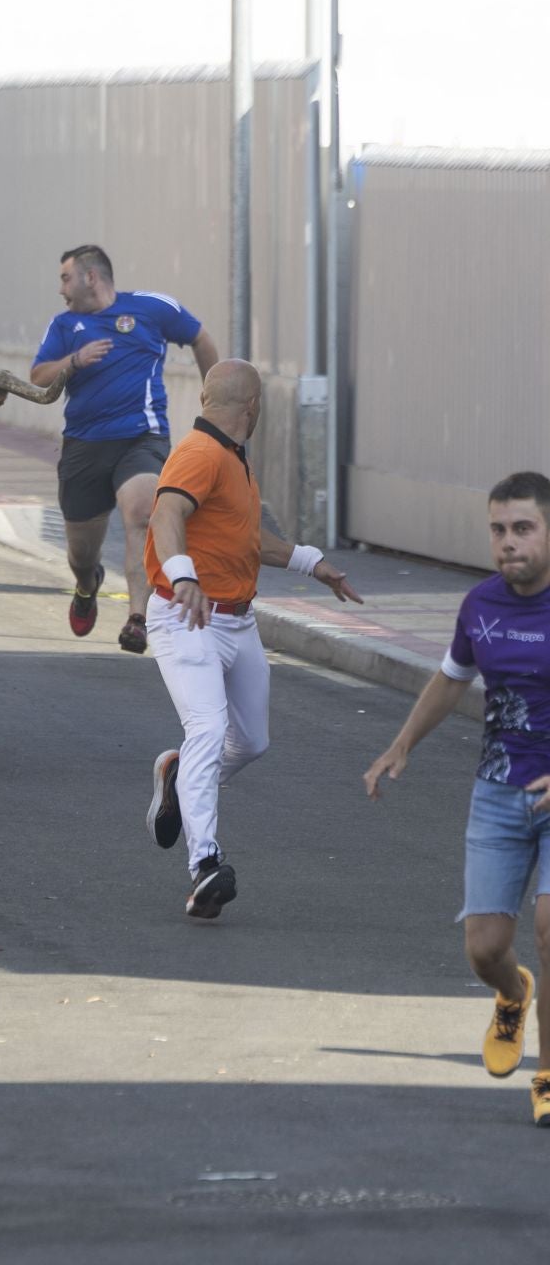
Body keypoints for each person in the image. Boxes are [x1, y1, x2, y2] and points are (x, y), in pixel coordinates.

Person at [365, 471, 550, 1125]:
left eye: (523, 528)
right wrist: (402, 744)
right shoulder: (480, 606)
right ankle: (511, 995)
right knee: (485, 948)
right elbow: (450, 679)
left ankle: (548, 1076)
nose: (508, 543)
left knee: (549, 925)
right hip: (499, 793)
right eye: (498, 530)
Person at [142, 360, 358, 919]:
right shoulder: (200, 453)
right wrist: (184, 575)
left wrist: (314, 564)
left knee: (251, 741)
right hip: (187, 616)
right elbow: (165, 514)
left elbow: (246, 538)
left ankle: (175, 772)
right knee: (208, 728)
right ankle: (205, 864)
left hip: (237, 622)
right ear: (253, 406)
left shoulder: (233, 458)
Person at [30, 244, 222, 654]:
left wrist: (215, 397)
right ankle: (87, 585)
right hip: (84, 446)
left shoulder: (151, 309)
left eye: (66, 278)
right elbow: (38, 377)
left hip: (142, 437)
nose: (61, 289)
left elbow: (201, 338)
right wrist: (74, 362)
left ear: (91, 277)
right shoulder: (64, 326)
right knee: (81, 555)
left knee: (142, 510)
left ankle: (139, 618)